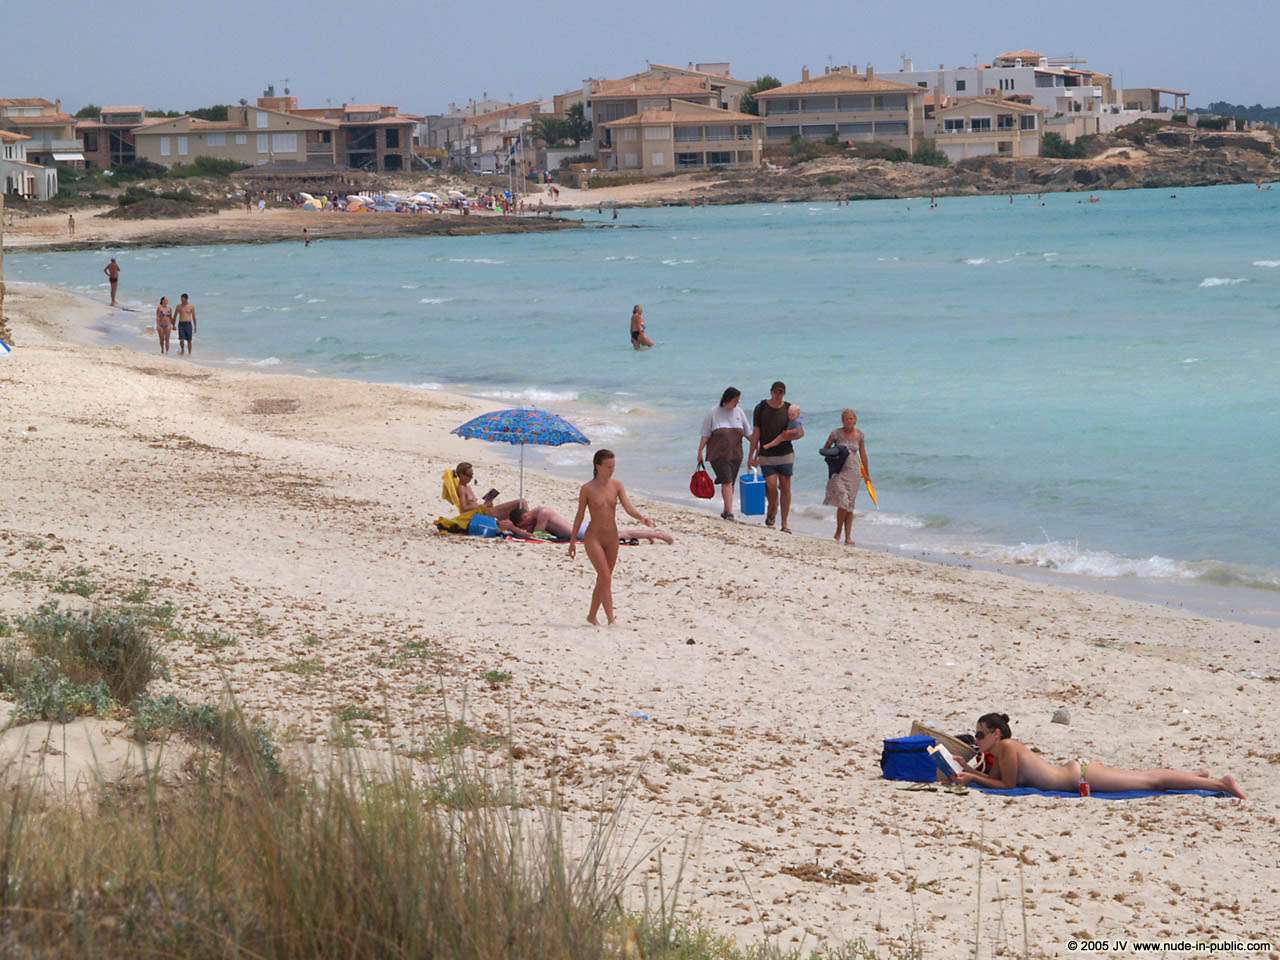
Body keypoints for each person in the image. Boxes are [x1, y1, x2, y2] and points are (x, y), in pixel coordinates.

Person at [951, 713, 1245, 799]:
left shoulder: (1007, 748)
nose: (977, 740)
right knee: (1146, 778)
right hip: (1079, 772)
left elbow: (1008, 786)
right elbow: (996, 780)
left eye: (980, 734)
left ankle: (1220, 784)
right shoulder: (1003, 751)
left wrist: (973, 779)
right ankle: (1195, 778)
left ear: (996, 734)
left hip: (1082, 776)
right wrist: (969, 771)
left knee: (1151, 782)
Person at [569, 449, 653, 626]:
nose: (612, 470)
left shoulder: (617, 485)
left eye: (613, 466)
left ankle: (592, 616)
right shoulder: (587, 489)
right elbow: (579, 515)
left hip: (612, 538)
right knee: (605, 578)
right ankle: (611, 619)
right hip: (594, 538)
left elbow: (628, 507)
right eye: (608, 467)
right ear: (597, 466)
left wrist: (642, 518)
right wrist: (572, 541)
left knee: (604, 578)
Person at [749, 381, 803, 533]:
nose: (778, 395)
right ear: (771, 392)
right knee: (771, 486)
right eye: (776, 392)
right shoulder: (760, 408)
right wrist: (751, 455)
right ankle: (772, 509)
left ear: (784, 393)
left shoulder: (790, 408)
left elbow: (800, 432)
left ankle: (784, 523)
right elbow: (756, 433)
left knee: (786, 488)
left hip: (785, 454)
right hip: (766, 455)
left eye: (781, 392)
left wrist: (789, 435)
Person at [697, 387, 752, 520]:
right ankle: (729, 512)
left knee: (729, 482)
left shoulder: (739, 412)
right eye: (736, 400)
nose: (738, 403)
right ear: (727, 399)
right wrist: (700, 451)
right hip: (718, 455)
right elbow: (705, 434)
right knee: (727, 481)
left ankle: (726, 510)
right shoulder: (713, 412)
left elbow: (748, 433)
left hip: (736, 454)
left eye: (738, 400)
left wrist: (759, 447)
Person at [500, 503, 672, 544]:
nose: (525, 527)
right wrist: (513, 528)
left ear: (525, 518)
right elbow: (533, 531)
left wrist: (514, 529)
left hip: (584, 533)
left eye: (523, 525)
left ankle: (658, 534)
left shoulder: (543, 513)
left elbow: (537, 537)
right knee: (621, 533)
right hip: (582, 528)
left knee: (623, 534)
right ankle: (650, 536)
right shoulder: (537, 514)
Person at [821, 409, 869, 546]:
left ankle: (848, 536)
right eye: (846, 419)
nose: (849, 421)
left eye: (851, 419)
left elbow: (863, 454)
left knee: (850, 505)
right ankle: (838, 532)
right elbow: (825, 449)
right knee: (843, 501)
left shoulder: (859, 435)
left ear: (855, 420)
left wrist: (867, 474)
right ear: (842, 421)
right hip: (839, 470)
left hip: (854, 471)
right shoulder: (836, 433)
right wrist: (836, 453)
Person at [453, 462, 525, 521]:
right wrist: (482, 506)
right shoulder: (461, 488)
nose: (471, 478)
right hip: (482, 515)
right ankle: (527, 526)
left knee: (518, 508)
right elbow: (463, 509)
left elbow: (472, 504)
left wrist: (486, 503)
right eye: (469, 475)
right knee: (521, 502)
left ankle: (526, 526)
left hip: (484, 512)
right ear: (461, 475)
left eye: (472, 475)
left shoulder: (467, 487)